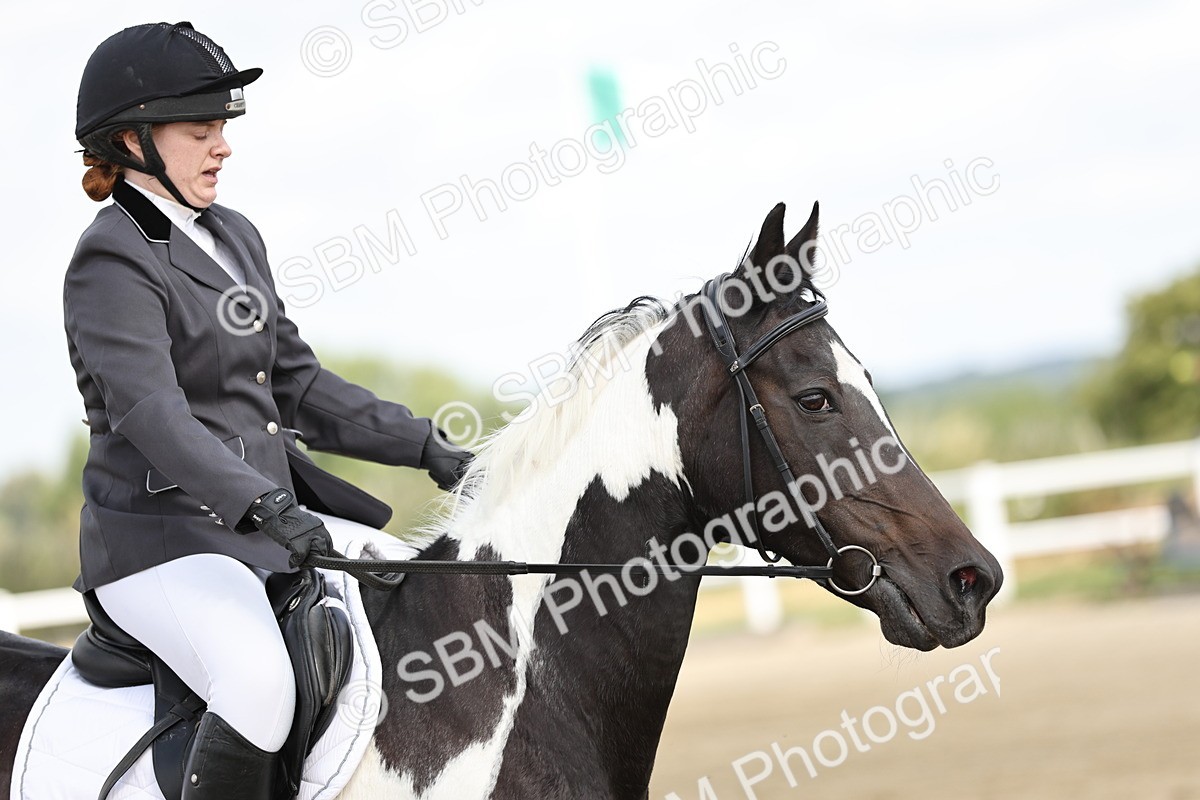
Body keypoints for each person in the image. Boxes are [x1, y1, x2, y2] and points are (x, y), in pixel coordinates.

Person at [66, 21, 471, 799]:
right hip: (162, 544)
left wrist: (426, 446)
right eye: (200, 130)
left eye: (222, 128)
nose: (222, 147)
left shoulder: (233, 237)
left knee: (428, 596)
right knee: (259, 684)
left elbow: (296, 384)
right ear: (132, 140)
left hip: (262, 527)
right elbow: (153, 413)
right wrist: (263, 504)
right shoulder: (110, 258)